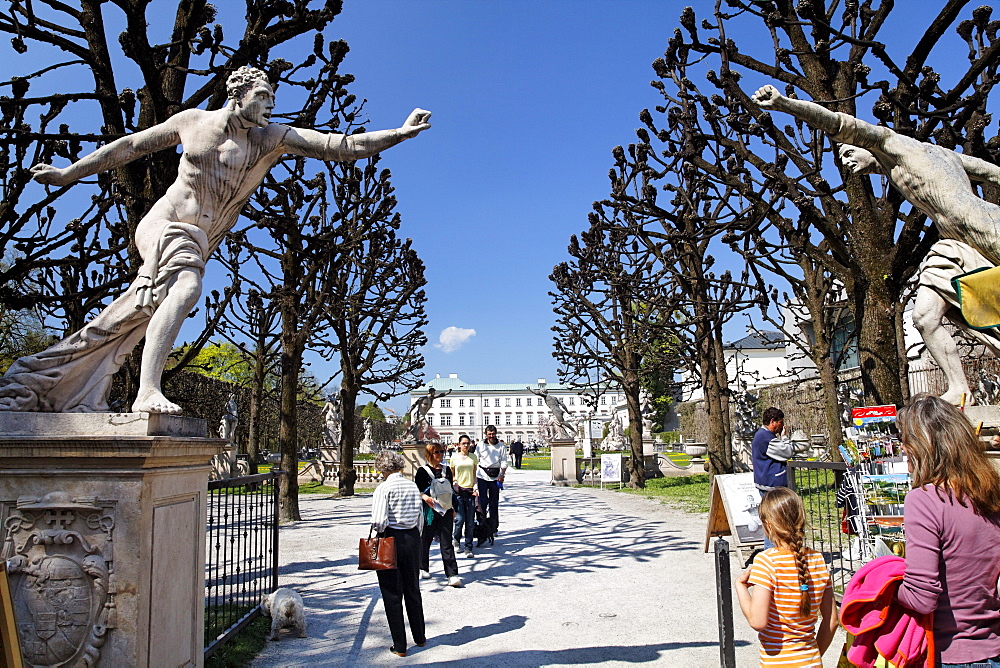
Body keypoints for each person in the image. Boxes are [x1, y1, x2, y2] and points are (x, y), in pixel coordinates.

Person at [0, 66, 431, 415]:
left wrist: (399, 133)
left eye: (272, 101)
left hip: (201, 238)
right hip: (164, 225)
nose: (270, 106)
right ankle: (147, 391)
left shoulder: (271, 139)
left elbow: (343, 145)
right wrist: (67, 173)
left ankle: (47, 375)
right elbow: (129, 145)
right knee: (186, 288)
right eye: (263, 98)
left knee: (137, 311)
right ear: (238, 95)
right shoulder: (193, 122)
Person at [753, 83, 1000, 406]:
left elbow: (836, 122)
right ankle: (959, 388)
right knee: (925, 316)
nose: (846, 160)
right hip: (954, 241)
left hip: (984, 226)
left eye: (848, 152)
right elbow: (992, 172)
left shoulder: (893, 142)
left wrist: (785, 104)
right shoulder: (939, 157)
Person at [894, 394, 1000, 665]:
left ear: (923, 446)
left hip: (950, 653)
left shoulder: (925, 500)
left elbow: (922, 597)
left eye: (905, 440)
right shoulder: (991, 494)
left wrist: (883, 587)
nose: (902, 448)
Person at [735, 487, 838, 667]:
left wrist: (740, 587)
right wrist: (812, 657)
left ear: (768, 525)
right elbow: (832, 621)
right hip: (812, 661)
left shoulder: (766, 562)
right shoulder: (817, 560)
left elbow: (757, 621)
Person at [370, 450, 427, 657]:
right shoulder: (412, 486)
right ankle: (420, 637)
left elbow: (378, 521)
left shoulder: (383, 488)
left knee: (392, 592)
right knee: (413, 588)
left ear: (382, 467)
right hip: (412, 538)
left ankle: (400, 645)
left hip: (391, 538)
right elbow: (419, 517)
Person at [415, 443, 462, 587]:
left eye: (442, 452)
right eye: (437, 452)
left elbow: (450, 491)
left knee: (446, 542)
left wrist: (454, 508)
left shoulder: (447, 470)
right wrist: (425, 498)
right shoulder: (422, 471)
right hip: (429, 510)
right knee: (426, 539)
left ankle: (452, 574)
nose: (440, 455)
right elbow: (417, 490)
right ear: (430, 454)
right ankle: (423, 566)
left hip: (446, 509)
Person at [476, 425, 508, 545]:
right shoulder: (481, 445)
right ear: (486, 434)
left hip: (495, 476)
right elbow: (476, 459)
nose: (491, 436)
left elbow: (504, 461)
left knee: (494, 503)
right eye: (489, 434)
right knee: (482, 502)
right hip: (482, 475)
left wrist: (502, 475)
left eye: (493, 434)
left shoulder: (501, 446)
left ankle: (494, 527)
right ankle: (482, 525)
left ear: (496, 433)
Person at [450, 434, 479, 557]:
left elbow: (474, 474)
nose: (466, 445)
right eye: (464, 443)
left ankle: (468, 547)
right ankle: (456, 539)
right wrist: (454, 483)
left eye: (468, 443)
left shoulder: (473, 457)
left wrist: (476, 487)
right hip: (459, 492)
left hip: (470, 491)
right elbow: (451, 474)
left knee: (470, 521)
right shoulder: (454, 458)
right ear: (459, 445)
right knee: (459, 519)